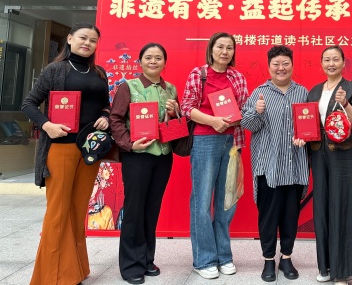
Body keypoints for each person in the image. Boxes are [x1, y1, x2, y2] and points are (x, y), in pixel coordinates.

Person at [22, 22, 110, 285]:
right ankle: (51, 277)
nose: (87, 43)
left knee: (78, 209)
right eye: (83, 38)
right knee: (58, 211)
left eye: (93, 40)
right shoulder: (55, 69)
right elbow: (29, 103)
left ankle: (75, 271)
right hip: (60, 148)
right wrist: (46, 124)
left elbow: (104, 105)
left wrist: (105, 117)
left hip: (89, 151)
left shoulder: (100, 73)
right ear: (70, 39)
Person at [109, 43, 179, 284]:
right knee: (135, 209)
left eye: (158, 58)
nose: (153, 61)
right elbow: (115, 119)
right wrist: (129, 144)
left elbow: (173, 127)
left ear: (164, 62)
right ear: (140, 61)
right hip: (137, 156)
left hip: (163, 156)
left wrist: (175, 113)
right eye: (148, 57)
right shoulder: (128, 86)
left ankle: (147, 259)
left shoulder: (171, 89)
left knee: (151, 209)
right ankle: (131, 265)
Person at [181, 32, 248, 279]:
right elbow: (187, 108)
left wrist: (237, 118)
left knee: (226, 200)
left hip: (231, 142)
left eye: (229, 47)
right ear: (211, 49)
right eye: (220, 47)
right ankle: (204, 259)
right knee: (202, 201)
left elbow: (244, 108)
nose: (224, 51)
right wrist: (213, 121)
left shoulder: (237, 77)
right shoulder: (198, 74)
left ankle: (224, 256)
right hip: (205, 140)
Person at [241, 45, 309, 282]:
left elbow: (310, 126)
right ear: (269, 67)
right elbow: (247, 125)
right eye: (276, 64)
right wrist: (257, 112)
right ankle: (268, 259)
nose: (281, 68)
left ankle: (286, 257)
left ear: (292, 65)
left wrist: (306, 137)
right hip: (268, 167)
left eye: (285, 63)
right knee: (268, 217)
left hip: (294, 165)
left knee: (290, 216)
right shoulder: (259, 93)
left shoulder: (303, 92)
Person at [306, 46, 352, 285]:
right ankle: (326, 266)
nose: (331, 64)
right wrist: (301, 136)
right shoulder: (314, 91)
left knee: (343, 207)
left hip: (345, 156)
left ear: (343, 63)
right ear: (321, 64)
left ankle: (342, 271)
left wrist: (346, 104)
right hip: (319, 155)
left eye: (335, 59)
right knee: (321, 208)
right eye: (327, 60)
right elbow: (308, 123)